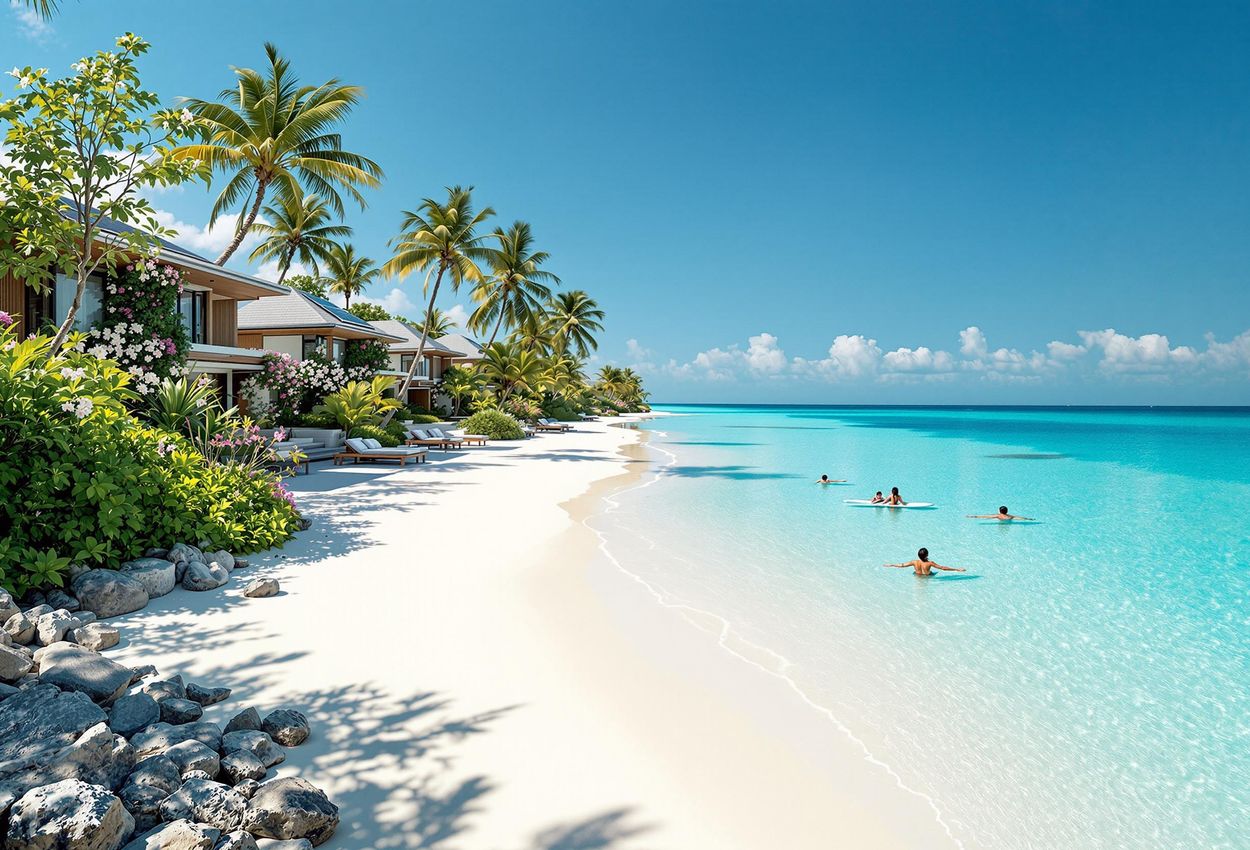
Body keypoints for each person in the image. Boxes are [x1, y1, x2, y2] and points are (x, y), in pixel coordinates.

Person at [884, 548, 966, 576]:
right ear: (927, 555)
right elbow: (943, 568)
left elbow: (902, 565)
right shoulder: (930, 563)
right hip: (928, 576)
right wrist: (957, 569)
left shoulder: (914, 562)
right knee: (935, 572)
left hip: (918, 576)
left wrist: (892, 565)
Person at [967, 506, 1034, 522]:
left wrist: (974, 516)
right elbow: (1020, 518)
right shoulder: (1010, 516)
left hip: (1002, 523)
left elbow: (985, 516)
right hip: (1008, 521)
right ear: (1007, 511)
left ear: (1000, 511)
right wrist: (1029, 519)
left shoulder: (998, 516)